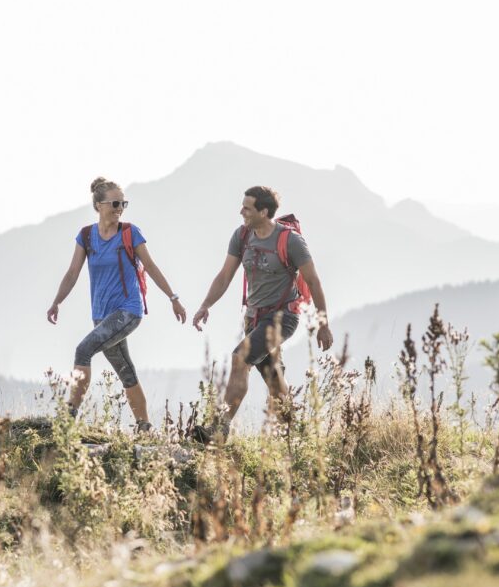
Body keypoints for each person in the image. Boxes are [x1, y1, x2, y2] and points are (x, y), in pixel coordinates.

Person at [191, 185, 333, 441]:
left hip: (283, 317)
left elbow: (313, 281)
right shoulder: (242, 236)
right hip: (254, 318)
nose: (241, 211)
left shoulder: (289, 240)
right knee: (274, 379)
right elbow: (224, 276)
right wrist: (205, 305)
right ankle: (296, 437)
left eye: (247, 207)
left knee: (240, 358)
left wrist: (323, 324)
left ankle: (219, 430)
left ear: (264, 211)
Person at [47, 177, 187, 431]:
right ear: (99, 205)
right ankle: (144, 427)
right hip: (101, 314)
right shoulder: (87, 236)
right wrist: (57, 302)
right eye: (114, 202)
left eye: (123, 202)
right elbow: (72, 273)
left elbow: (151, 267)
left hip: (127, 311)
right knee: (126, 371)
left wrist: (173, 298)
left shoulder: (130, 233)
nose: (119, 207)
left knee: (83, 350)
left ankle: (68, 418)